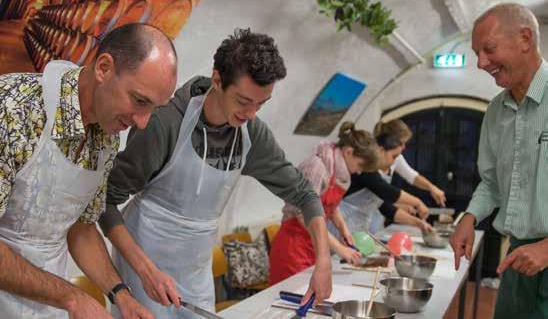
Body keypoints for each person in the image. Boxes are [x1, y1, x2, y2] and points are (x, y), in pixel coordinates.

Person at [98, 28, 332, 318]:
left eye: (261, 104)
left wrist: (323, 262)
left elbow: (304, 193)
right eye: (244, 101)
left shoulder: (251, 134)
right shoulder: (165, 122)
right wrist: (144, 269)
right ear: (217, 80)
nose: (251, 113)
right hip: (142, 261)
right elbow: (104, 199)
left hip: (196, 269)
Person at [0, 23, 178, 318]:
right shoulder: (12, 109)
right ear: (104, 68)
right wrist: (72, 297)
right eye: (139, 101)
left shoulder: (105, 138)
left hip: (47, 303)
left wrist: (121, 295)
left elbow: (80, 227)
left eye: (153, 109)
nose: (143, 122)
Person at [450, 3, 548, 318]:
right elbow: (491, 181)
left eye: (488, 49)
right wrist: (469, 217)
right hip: (518, 258)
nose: (480, 63)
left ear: (525, 38)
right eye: (477, 52)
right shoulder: (495, 111)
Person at [269, 122, 379, 284]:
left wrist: (344, 230)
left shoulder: (340, 174)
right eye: (360, 165)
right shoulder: (317, 167)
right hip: (293, 247)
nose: (360, 171)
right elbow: (305, 214)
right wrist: (339, 248)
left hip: (314, 245)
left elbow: (331, 207)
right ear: (348, 152)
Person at [336, 128, 433, 236]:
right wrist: (418, 202)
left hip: (355, 230)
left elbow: (386, 207)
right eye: (394, 157)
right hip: (340, 227)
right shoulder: (367, 171)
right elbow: (387, 191)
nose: (395, 162)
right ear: (381, 151)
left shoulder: (374, 173)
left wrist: (418, 223)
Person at [374, 119, 446, 207]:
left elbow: (412, 176)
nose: (404, 147)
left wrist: (432, 188)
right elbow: (385, 191)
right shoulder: (370, 165)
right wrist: (417, 203)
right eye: (402, 143)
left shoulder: (396, 158)